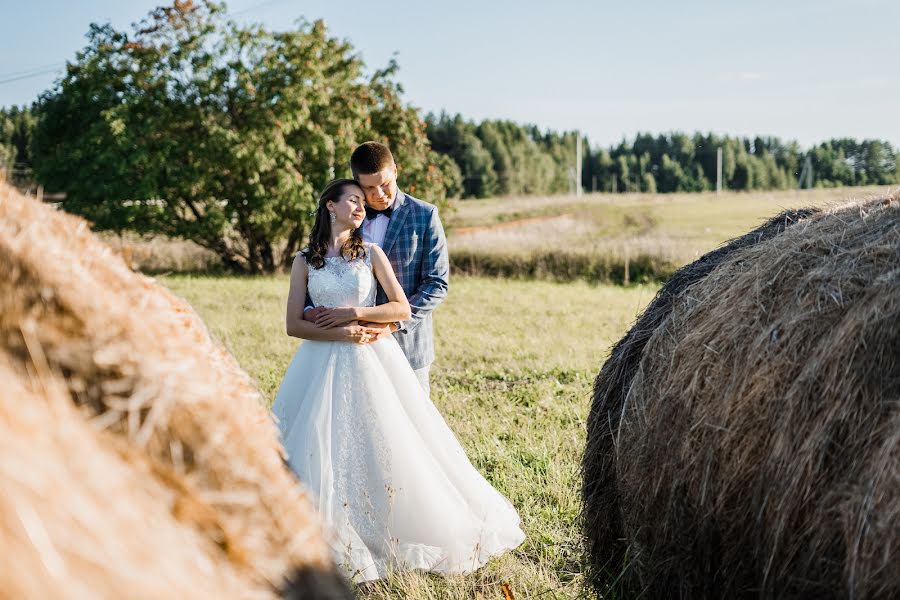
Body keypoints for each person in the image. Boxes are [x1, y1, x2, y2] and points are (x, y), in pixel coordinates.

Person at [272, 178, 525, 583]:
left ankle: (386, 524)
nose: (360, 208)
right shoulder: (304, 260)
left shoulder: (371, 253)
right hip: (319, 362)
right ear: (329, 206)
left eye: (362, 202)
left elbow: (400, 307)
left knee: (386, 439)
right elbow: (293, 324)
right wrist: (341, 332)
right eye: (352, 200)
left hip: (372, 358)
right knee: (319, 442)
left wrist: (353, 313)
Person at [304, 141, 447, 394]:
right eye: (369, 188)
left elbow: (436, 283)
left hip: (408, 345)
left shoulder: (425, 215)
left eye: (385, 184)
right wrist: (311, 311)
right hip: (350, 346)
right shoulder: (346, 217)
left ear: (395, 171)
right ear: (357, 183)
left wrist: (390, 325)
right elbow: (319, 268)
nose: (379, 194)